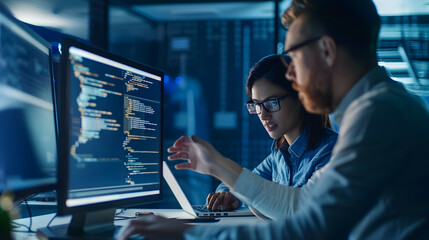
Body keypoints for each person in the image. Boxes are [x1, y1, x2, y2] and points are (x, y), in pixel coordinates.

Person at [118, 0, 429, 239]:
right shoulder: (379, 108)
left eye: (292, 57)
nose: (291, 74)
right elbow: (306, 205)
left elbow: (307, 225)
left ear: (326, 50)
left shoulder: (377, 114)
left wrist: (187, 232)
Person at [206, 54, 337, 213]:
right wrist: (227, 194)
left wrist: (220, 167)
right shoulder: (280, 154)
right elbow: (249, 181)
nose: (263, 115)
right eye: (257, 105)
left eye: (271, 103)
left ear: (300, 97)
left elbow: (304, 213)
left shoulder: (331, 152)